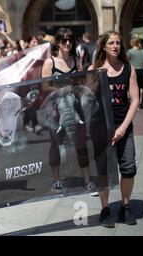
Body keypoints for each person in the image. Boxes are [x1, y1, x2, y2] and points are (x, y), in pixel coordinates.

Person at [88, 31, 139, 228]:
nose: (116, 46)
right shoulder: (95, 69)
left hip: (123, 126)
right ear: (103, 46)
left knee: (128, 168)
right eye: (111, 43)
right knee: (104, 171)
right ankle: (105, 209)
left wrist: (124, 127)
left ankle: (125, 207)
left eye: (118, 43)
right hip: (101, 129)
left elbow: (134, 101)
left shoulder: (128, 69)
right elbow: (87, 98)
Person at [41, 28, 95, 195]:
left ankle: (87, 181)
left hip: (75, 107)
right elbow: (44, 87)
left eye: (70, 40)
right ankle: (57, 180)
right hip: (56, 109)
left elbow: (80, 81)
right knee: (55, 144)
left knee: (80, 142)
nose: (67, 43)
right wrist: (61, 89)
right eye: (64, 40)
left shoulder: (75, 59)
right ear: (57, 42)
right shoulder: (50, 62)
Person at [127, 38, 143, 108]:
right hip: (141, 70)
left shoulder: (129, 52)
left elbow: (127, 62)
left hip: (133, 71)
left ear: (132, 43)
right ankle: (142, 103)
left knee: (134, 88)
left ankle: (135, 103)